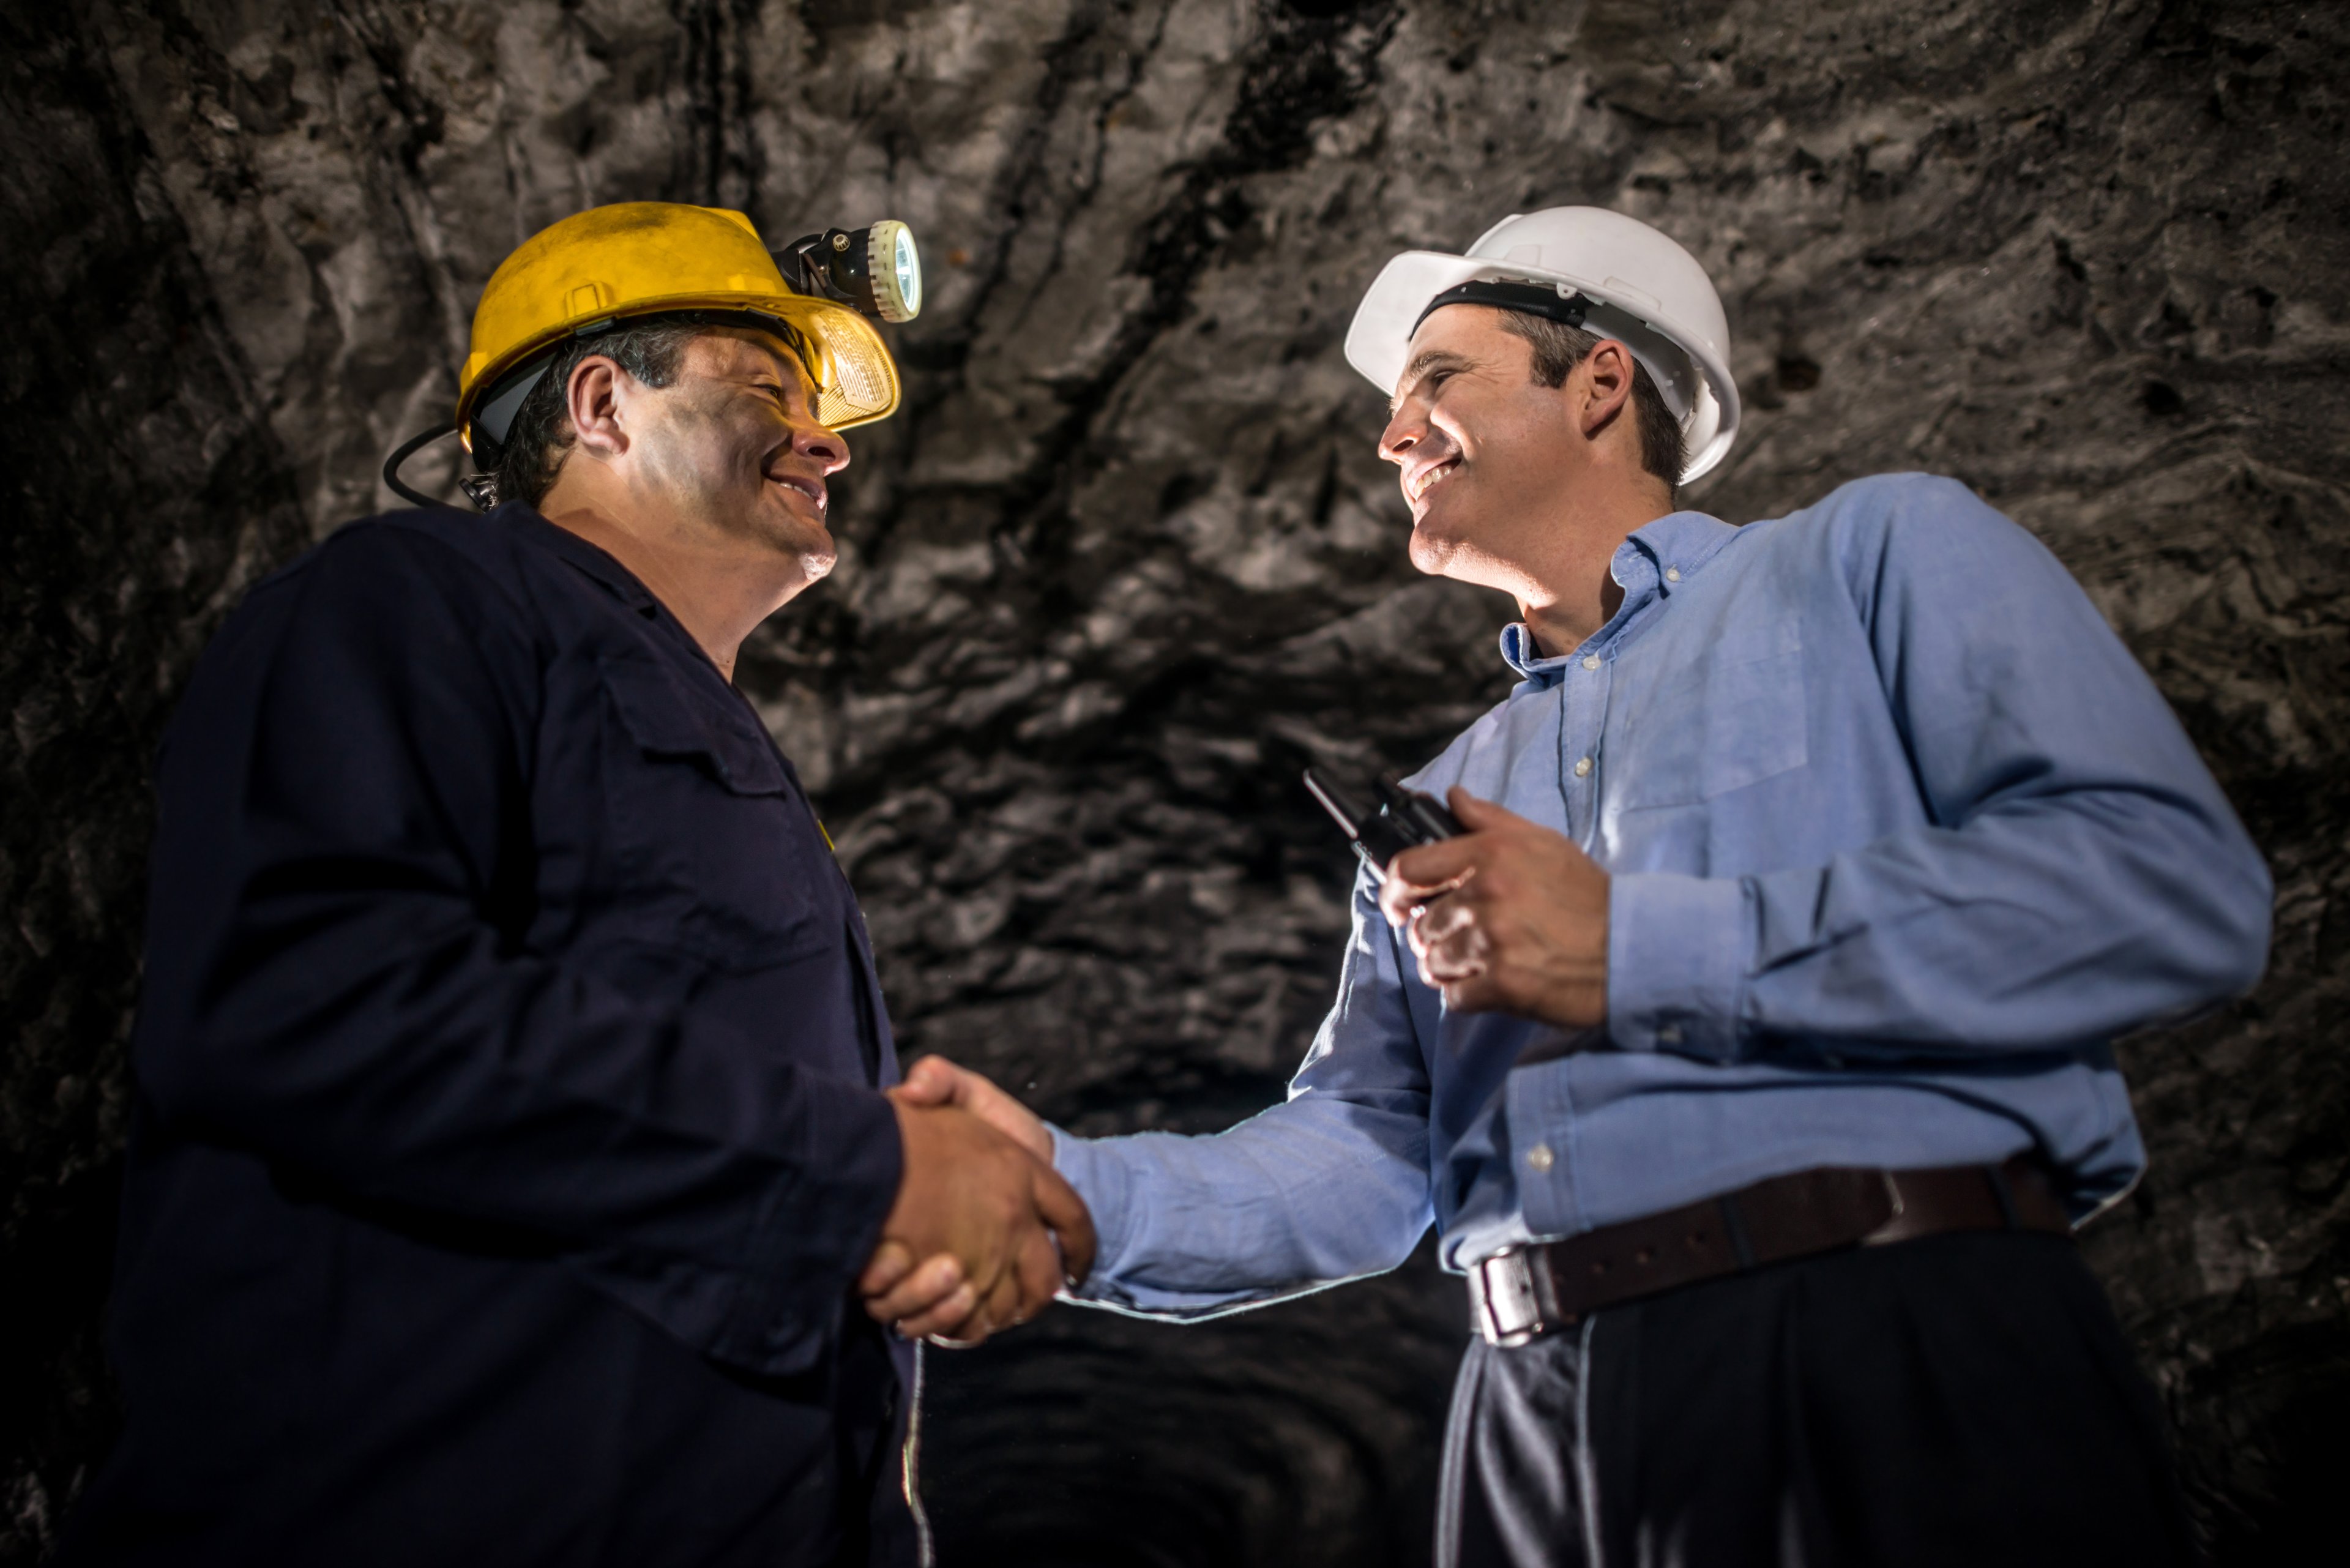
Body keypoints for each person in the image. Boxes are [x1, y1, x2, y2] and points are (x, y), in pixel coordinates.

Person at [875, 207, 2274, 1565]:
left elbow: (2163, 887)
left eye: (1438, 377)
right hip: (1532, 1417)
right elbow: (1371, 1150)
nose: (1392, 431)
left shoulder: (1875, 558)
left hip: (1889, 1332)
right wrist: (1064, 1191)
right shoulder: (1451, 784)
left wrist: (1641, 946)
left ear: (1601, 382)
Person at [59, 202, 1090, 1568]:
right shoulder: (413, 601)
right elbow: (307, 1000)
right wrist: (867, 1169)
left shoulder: (722, 742)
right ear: (603, 401)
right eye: (768, 387)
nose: (830, 440)